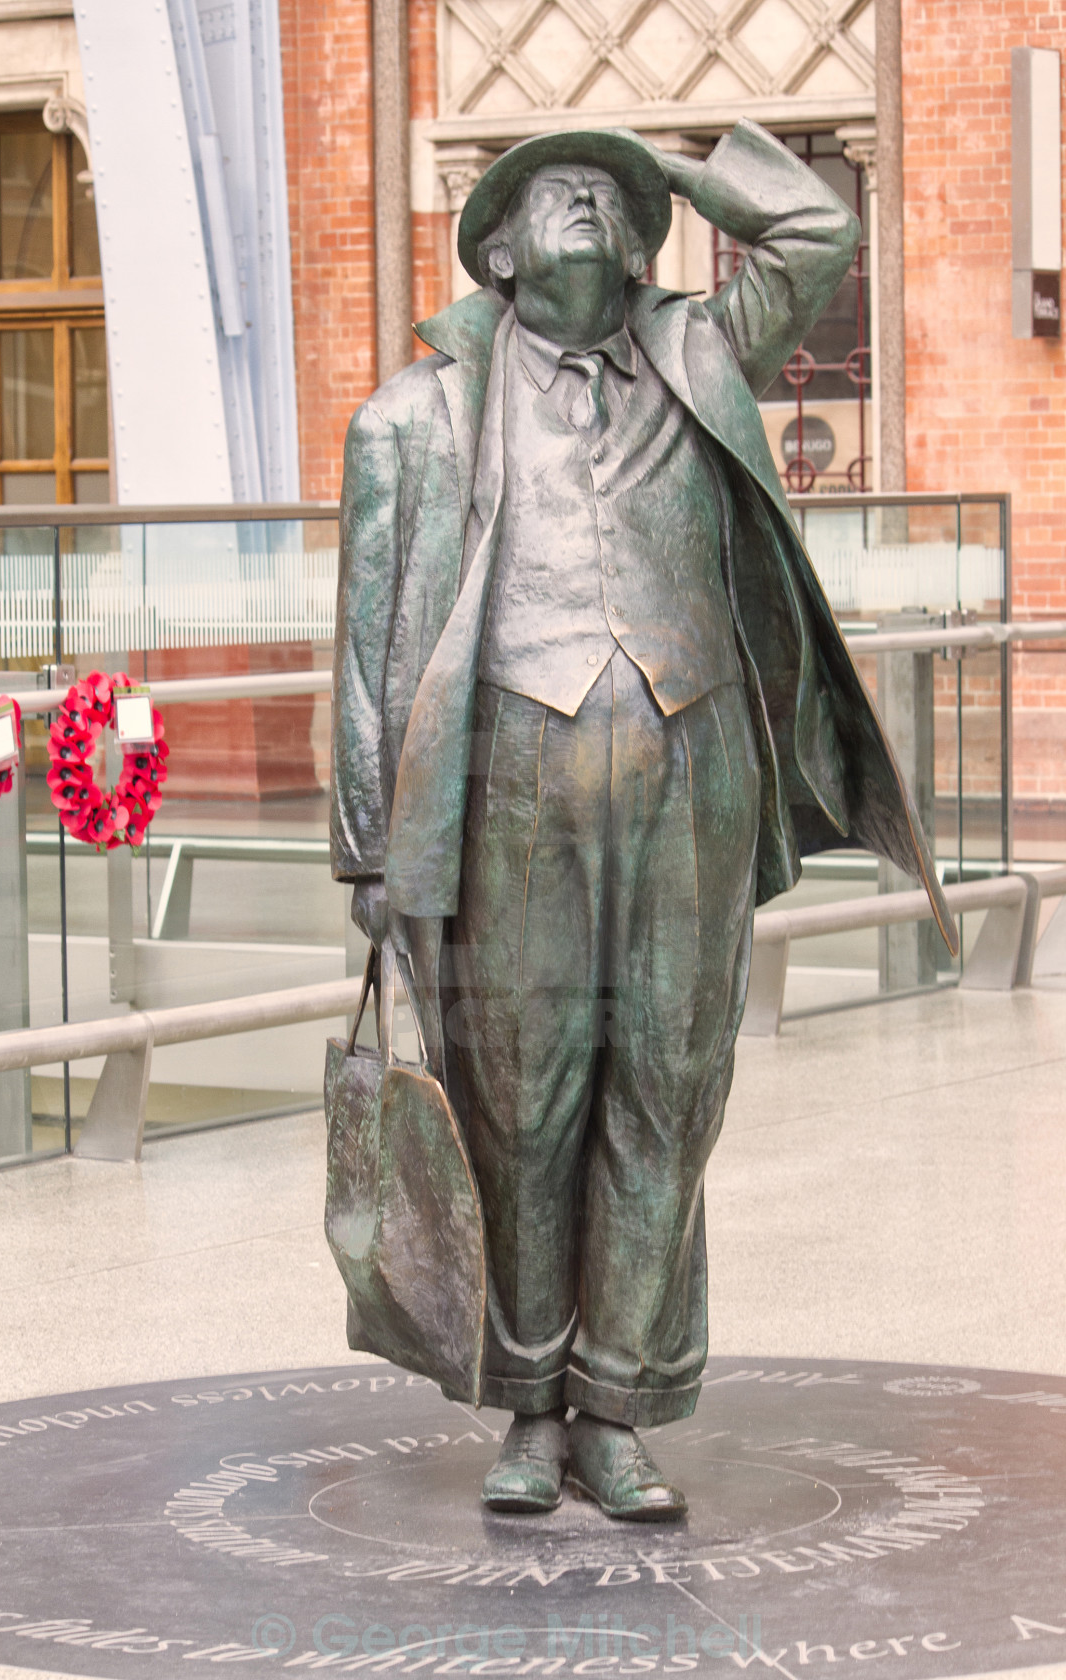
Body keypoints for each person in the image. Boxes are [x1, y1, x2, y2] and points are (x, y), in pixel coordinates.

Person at [330, 121, 957, 1523]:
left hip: (693, 777)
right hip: (509, 797)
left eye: (614, 201)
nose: (591, 206)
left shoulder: (705, 356)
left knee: (667, 1094)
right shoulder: (414, 419)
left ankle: (621, 1407)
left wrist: (669, 163)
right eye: (556, 194)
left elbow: (818, 232)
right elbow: (370, 647)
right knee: (524, 1102)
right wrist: (370, 848)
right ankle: (530, 1410)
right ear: (494, 257)